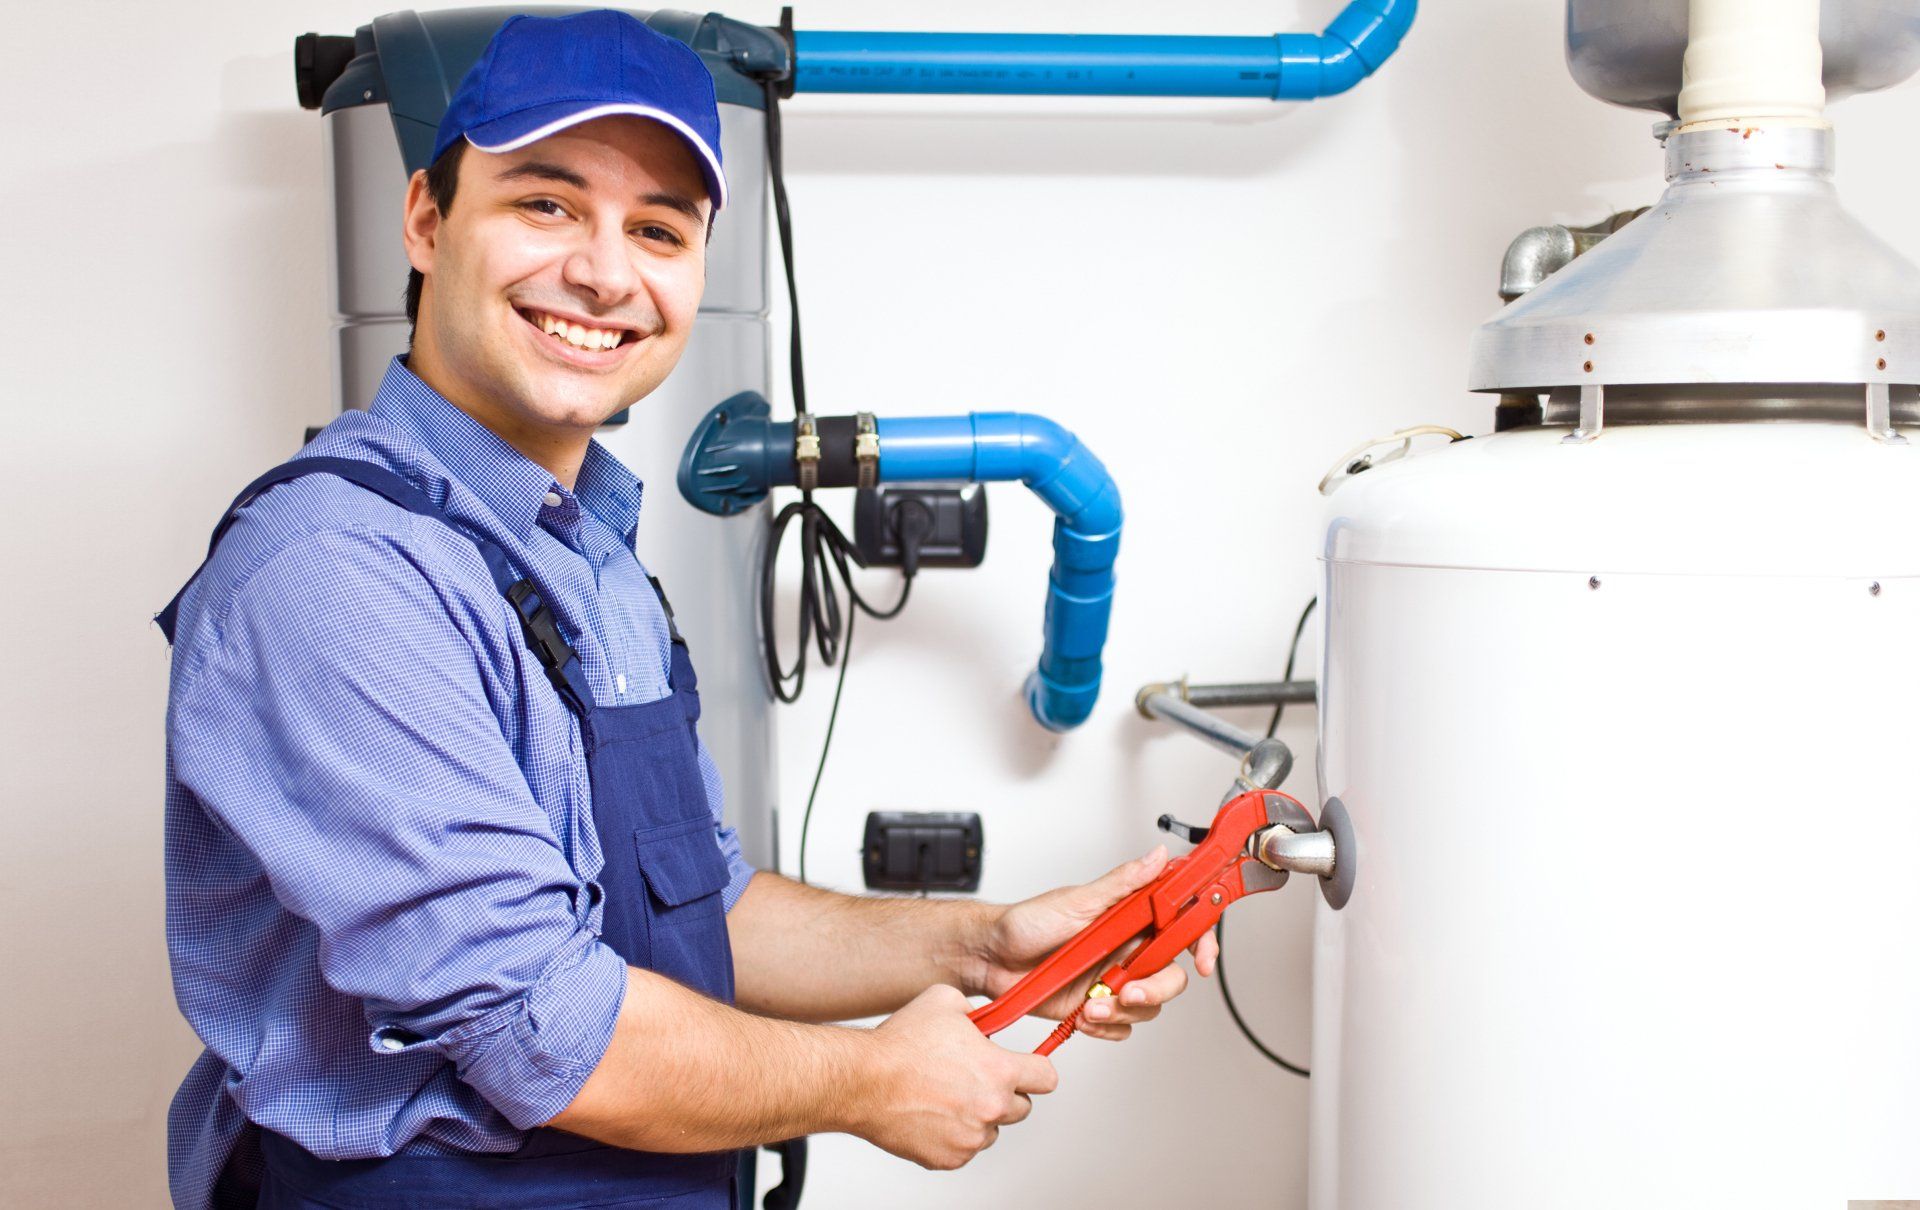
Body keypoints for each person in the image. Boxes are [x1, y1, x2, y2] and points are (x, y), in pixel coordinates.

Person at [159, 12, 1214, 1209]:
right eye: (545, 204)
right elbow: (537, 1024)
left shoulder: (589, 555)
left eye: (658, 228)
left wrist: (986, 943)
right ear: (425, 219)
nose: (607, 273)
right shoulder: (339, 569)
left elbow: (706, 906)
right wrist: (869, 1079)